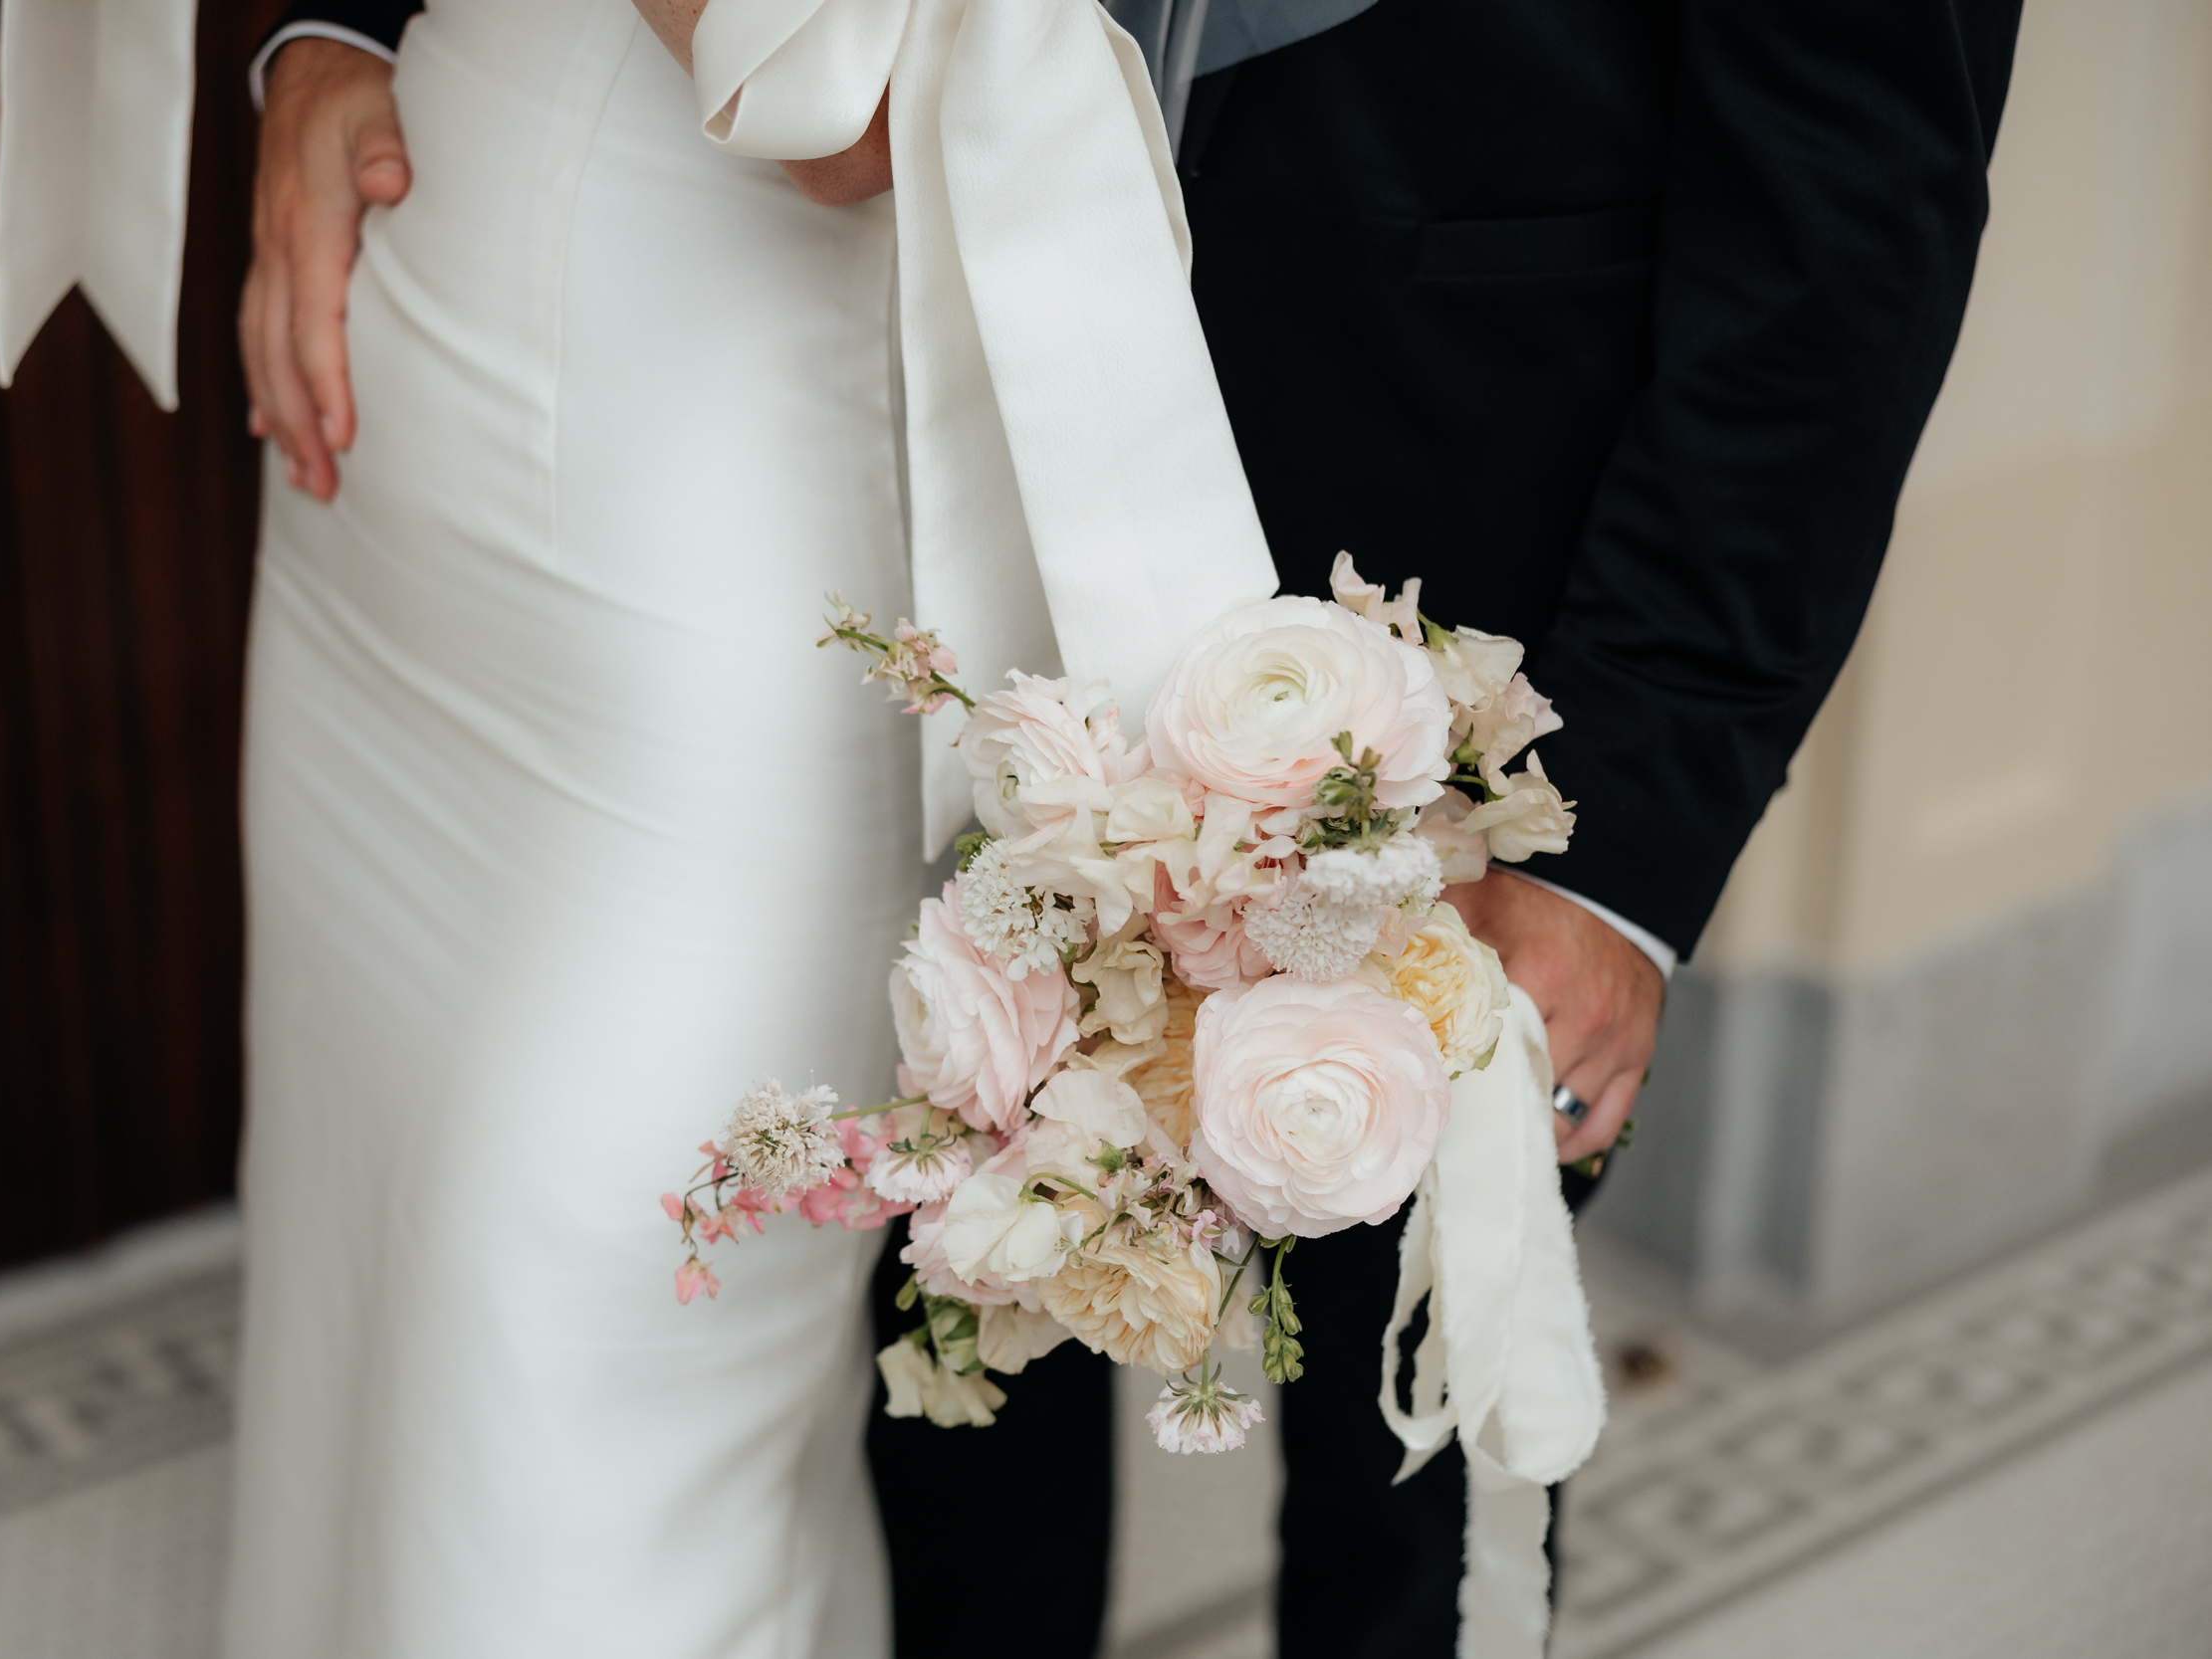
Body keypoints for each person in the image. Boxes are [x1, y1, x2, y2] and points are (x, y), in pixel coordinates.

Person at [242, 1, 2021, 1654]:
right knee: (949, 1354)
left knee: (1403, 1440)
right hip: (863, 508)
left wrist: (1621, 849)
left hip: (1445, 540)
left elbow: (1847, 222)